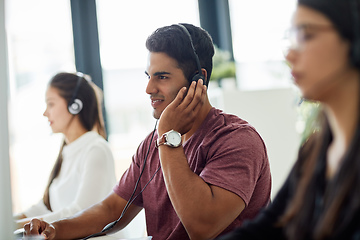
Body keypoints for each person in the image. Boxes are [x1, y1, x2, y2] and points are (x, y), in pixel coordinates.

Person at [23, 24, 271, 240]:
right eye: (149, 76)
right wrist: (55, 229)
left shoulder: (238, 140)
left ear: (199, 79)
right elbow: (112, 210)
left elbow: (202, 228)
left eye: (161, 77)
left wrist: (167, 136)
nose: (149, 88)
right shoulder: (153, 144)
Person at [215, 0, 360, 239]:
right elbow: (270, 226)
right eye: (291, 37)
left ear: (354, 41)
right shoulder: (315, 150)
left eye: (306, 35)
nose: (290, 54)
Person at [14, 72, 116, 229]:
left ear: (74, 105)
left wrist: (17, 226)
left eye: (51, 104)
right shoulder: (67, 152)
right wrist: (11, 221)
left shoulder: (96, 149)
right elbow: (45, 207)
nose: (45, 113)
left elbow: (81, 212)